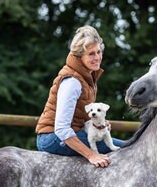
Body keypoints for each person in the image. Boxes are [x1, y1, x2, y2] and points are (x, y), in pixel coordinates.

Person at [36, 25, 123, 167]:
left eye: (99, 52)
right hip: (52, 138)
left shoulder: (87, 77)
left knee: (124, 145)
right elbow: (61, 128)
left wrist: (97, 124)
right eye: (91, 54)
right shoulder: (72, 81)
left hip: (64, 135)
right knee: (126, 148)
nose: (97, 57)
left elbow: (78, 119)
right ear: (79, 56)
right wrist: (91, 155)